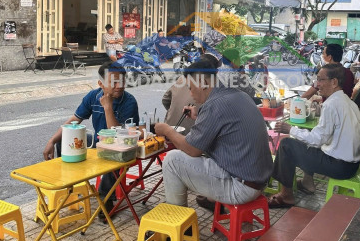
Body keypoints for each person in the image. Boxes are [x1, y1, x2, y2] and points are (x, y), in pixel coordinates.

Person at [154, 59, 273, 209]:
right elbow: (225, 125)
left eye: (191, 88)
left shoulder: (214, 105)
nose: (191, 94)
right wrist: (199, 116)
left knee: (172, 160)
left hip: (242, 187)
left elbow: (192, 149)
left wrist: (166, 130)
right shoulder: (239, 95)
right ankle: (190, 208)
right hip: (259, 180)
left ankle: (177, 217)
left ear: (203, 83)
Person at [43, 61, 139, 215]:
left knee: (113, 153)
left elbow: (118, 135)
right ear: (101, 84)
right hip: (97, 143)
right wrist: (52, 141)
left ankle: (106, 198)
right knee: (65, 138)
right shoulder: (93, 96)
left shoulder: (129, 101)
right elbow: (74, 120)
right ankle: (70, 184)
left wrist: (108, 107)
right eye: (114, 82)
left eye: (122, 81)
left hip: (120, 147)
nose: (119, 86)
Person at [268, 64, 360, 208]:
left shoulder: (331, 104)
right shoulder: (349, 102)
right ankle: (307, 183)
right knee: (304, 144)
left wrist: (290, 129)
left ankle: (286, 195)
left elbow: (317, 139)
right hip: (353, 164)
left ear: (334, 82)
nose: (317, 84)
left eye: (320, 80)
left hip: (340, 167)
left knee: (287, 145)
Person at [162, 54, 220, 134]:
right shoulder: (216, 87)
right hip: (187, 134)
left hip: (170, 129)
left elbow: (166, 100)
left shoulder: (183, 78)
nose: (191, 94)